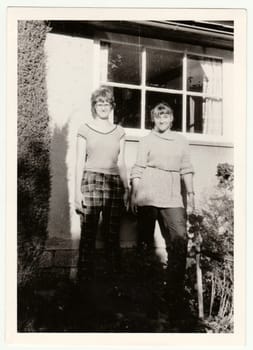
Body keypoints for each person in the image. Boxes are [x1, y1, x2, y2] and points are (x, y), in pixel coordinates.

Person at [130, 102, 195, 318]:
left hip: (172, 195)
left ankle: (172, 294)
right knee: (144, 243)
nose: (162, 120)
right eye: (158, 117)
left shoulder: (181, 141)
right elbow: (138, 168)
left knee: (179, 241)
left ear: (172, 119)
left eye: (165, 116)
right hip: (148, 194)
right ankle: (144, 296)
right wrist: (134, 194)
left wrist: (191, 195)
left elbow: (186, 169)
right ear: (153, 119)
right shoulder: (146, 140)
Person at [75, 86, 129, 281]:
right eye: (99, 103)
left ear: (112, 106)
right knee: (88, 234)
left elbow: (122, 161)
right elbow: (80, 161)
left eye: (107, 103)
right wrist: (76, 193)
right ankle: (83, 284)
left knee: (112, 235)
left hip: (114, 184)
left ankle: (113, 283)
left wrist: (127, 189)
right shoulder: (85, 129)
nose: (103, 106)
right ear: (94, 106)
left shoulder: (119, 131)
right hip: (90, 181)